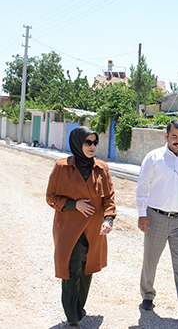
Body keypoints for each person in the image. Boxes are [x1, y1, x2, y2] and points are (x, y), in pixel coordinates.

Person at [46, 126, 116, 328]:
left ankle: (78, 307)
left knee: (87, 270)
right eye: (88, 142)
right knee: (71, 270)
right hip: (69, 228)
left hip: (94, 230)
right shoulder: (62, 166)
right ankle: (72, 318)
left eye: (95, 142)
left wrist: (108, 219)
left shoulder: (102, 168)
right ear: (77, 143)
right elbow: (51, 197)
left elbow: (109, 198)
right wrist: (73, 204)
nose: (92, 146)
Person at [136, 119, 178, 324]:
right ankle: (148, 295)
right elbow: (142, 186)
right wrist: (141, 213)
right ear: (166, 136)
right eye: (174, 136)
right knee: (151, 260)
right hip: (155, 217)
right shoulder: (153, 157)